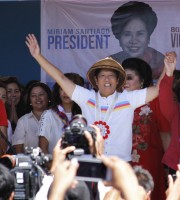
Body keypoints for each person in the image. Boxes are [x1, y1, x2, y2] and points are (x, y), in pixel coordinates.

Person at [26, 34, 165, 161]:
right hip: (92, 162)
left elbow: (158, 89)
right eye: (102, 76)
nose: (107, 79)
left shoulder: (128, 98)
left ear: (118, 81)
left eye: (111, 76)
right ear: (96, 81)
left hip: (120, 164)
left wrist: (167, 69)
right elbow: (60, 78)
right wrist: (38, 56)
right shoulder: (87, 97)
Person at [122, 57, 169, 199]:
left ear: (142, 81)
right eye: (122, 78)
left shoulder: (153, 101)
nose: (125, 82)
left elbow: (165, 133)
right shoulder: (114, 101)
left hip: (150, 163)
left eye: (129, 78)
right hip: (123, 162)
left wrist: (168, 166)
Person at [110, 1, 164, 79]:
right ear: (119, 38)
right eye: (127, 34)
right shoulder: (111, 63)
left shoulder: (160, 62)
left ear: (148, 36)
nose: (133, 41)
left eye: (140, 33)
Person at [38, 73, 84, 154]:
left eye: (69, 88)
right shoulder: (48, 115)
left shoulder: (84, 115)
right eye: (62, 88)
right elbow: (42, 148)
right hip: (56, 164)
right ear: (58, 91)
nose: (65, 92)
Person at [12, 82, 52, 153]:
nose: (37, 98)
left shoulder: (57, 118)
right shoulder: (23, 121)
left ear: (48, 97)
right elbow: (18, 150)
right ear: (30, 100)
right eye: (33, 96)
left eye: (41, 94)